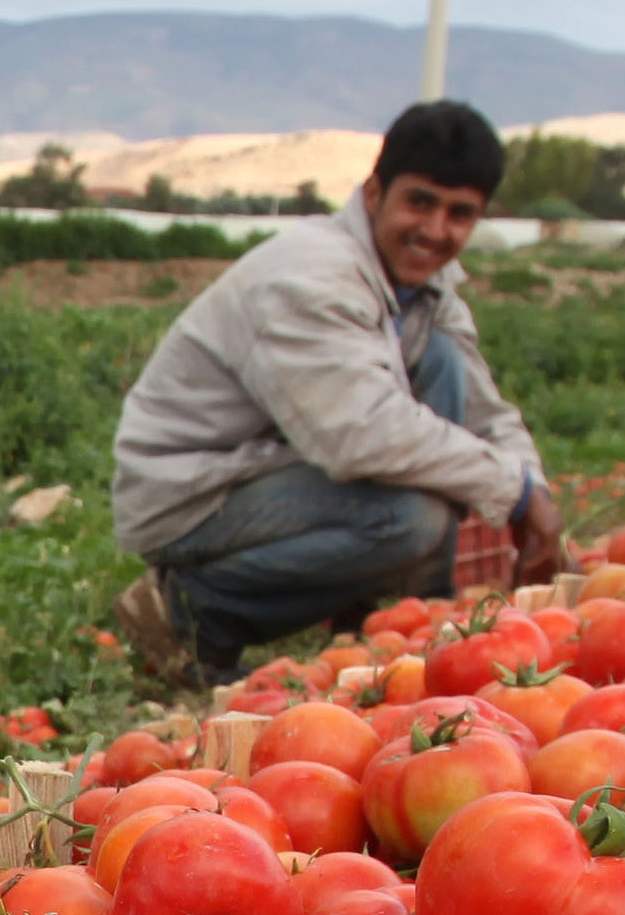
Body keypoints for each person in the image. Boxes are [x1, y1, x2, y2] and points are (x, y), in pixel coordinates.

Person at [109, 101, 560, 684]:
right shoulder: (313, 276)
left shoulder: (426, 284)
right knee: (411, 520)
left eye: (459, 214)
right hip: (192, 492)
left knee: (444, 363)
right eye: (419, 202)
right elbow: (362, 437)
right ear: (374, 193)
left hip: (282, 467)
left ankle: (398, 623)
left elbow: (484, 410)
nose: (434, 230)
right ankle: (190, 611)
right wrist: (517, 494)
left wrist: (537, 491)